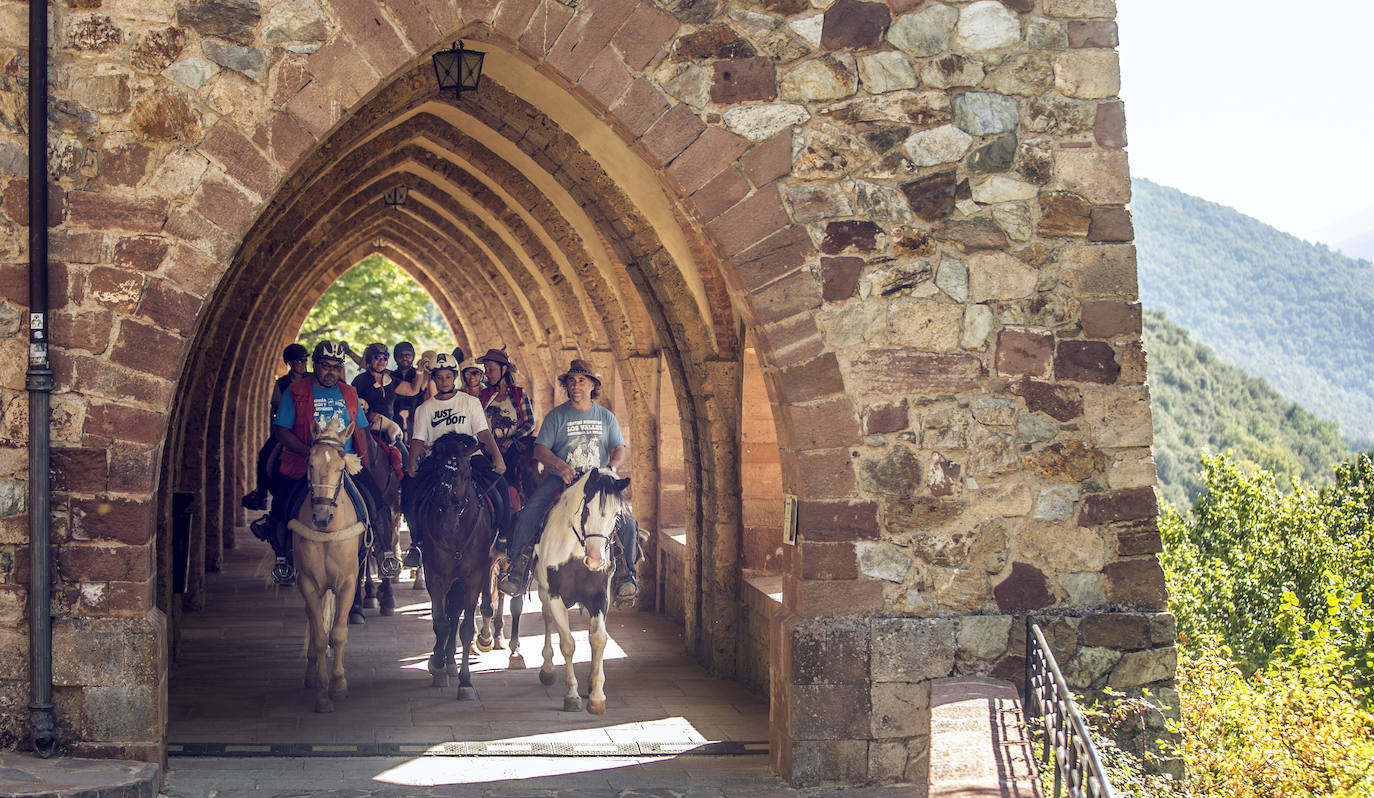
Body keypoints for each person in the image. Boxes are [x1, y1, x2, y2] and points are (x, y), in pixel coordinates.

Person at [497, 359, 639, 602]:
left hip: (598, 481)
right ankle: (518, 569)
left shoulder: (606, 417)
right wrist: (560, 465)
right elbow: (540, 450)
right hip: (563, 479)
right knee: (529, 513)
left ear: (592, 385)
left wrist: (611, 467)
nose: (576, 385)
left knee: (627, 519)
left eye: (582, 380)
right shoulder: (557, 416)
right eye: (571, 381)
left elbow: (619, 448)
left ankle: (626, 575)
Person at [264, 340, 399, 584]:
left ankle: (386, 553)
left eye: (336, 367)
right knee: (282, 503)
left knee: (377, 502)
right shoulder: (295, 392)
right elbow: (282, 430)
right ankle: (283, 558)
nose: (331, 372)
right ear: (315, 365)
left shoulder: (349, 393)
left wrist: (364, 463)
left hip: (345, 461)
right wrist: (308, 452)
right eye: (326, 366)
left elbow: (362, 431)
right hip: (305, 461)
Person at [403, 352, 512, 567]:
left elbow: (483, 434)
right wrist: (412, 463)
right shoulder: (425, 409)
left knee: (501, 487)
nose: (444, 381)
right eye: (439, 377)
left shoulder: (470, 403)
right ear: (433, 379)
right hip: (439, 460)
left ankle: (503, 535)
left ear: (454, 377)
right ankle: (417, 542)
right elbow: (417, 439)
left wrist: (498, 458)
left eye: (447, 376)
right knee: (409, 488)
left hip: (470, 456)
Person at [243, 343, 310, 511]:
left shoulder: (312, 379)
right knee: (264, 453)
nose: (303, 364)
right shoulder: (281, 384)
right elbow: (276, 409)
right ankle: (261, 494)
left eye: (305, 360)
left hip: (310, 427)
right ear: (291, 363)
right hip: (289, 429)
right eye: (300, 361)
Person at [351, 342, 430, 422]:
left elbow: (413, 390)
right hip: (367, 428)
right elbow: (349, 403)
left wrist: (420, 370)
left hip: (398, 428)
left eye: (384, 358)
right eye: (377, 358)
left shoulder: (391, 380)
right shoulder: (360, 380)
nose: (381, 361)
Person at [476, 348, 535, 450]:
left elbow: (530, 422)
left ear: (503, 369)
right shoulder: (482, 396)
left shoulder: (519, 393)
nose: (487, 373)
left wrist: (513, 439)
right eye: (486, 369)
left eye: (491, 369)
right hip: (491, 450)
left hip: (516, 449)